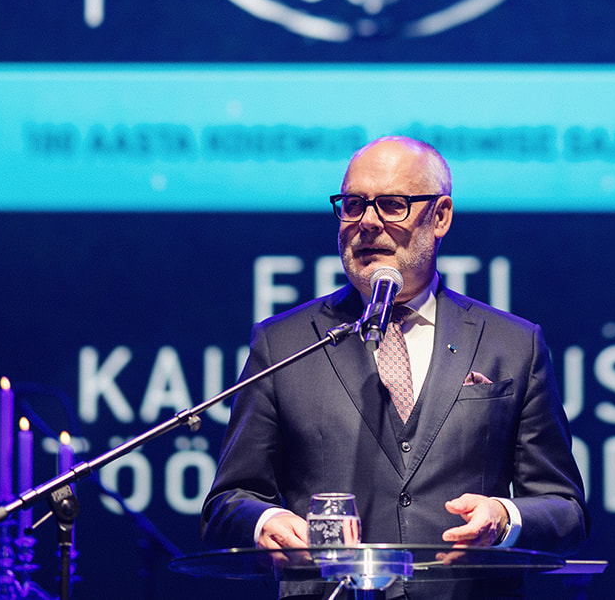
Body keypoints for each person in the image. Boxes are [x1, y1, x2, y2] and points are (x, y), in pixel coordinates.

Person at [202, 136, 587, 596]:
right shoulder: (284, 343)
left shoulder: (513, 344)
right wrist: (264, 520)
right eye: (353, 205)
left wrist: (505, 518)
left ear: (440, 216)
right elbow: (228, 502)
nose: (367, 222)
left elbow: (565, 509)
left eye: (392, 205)